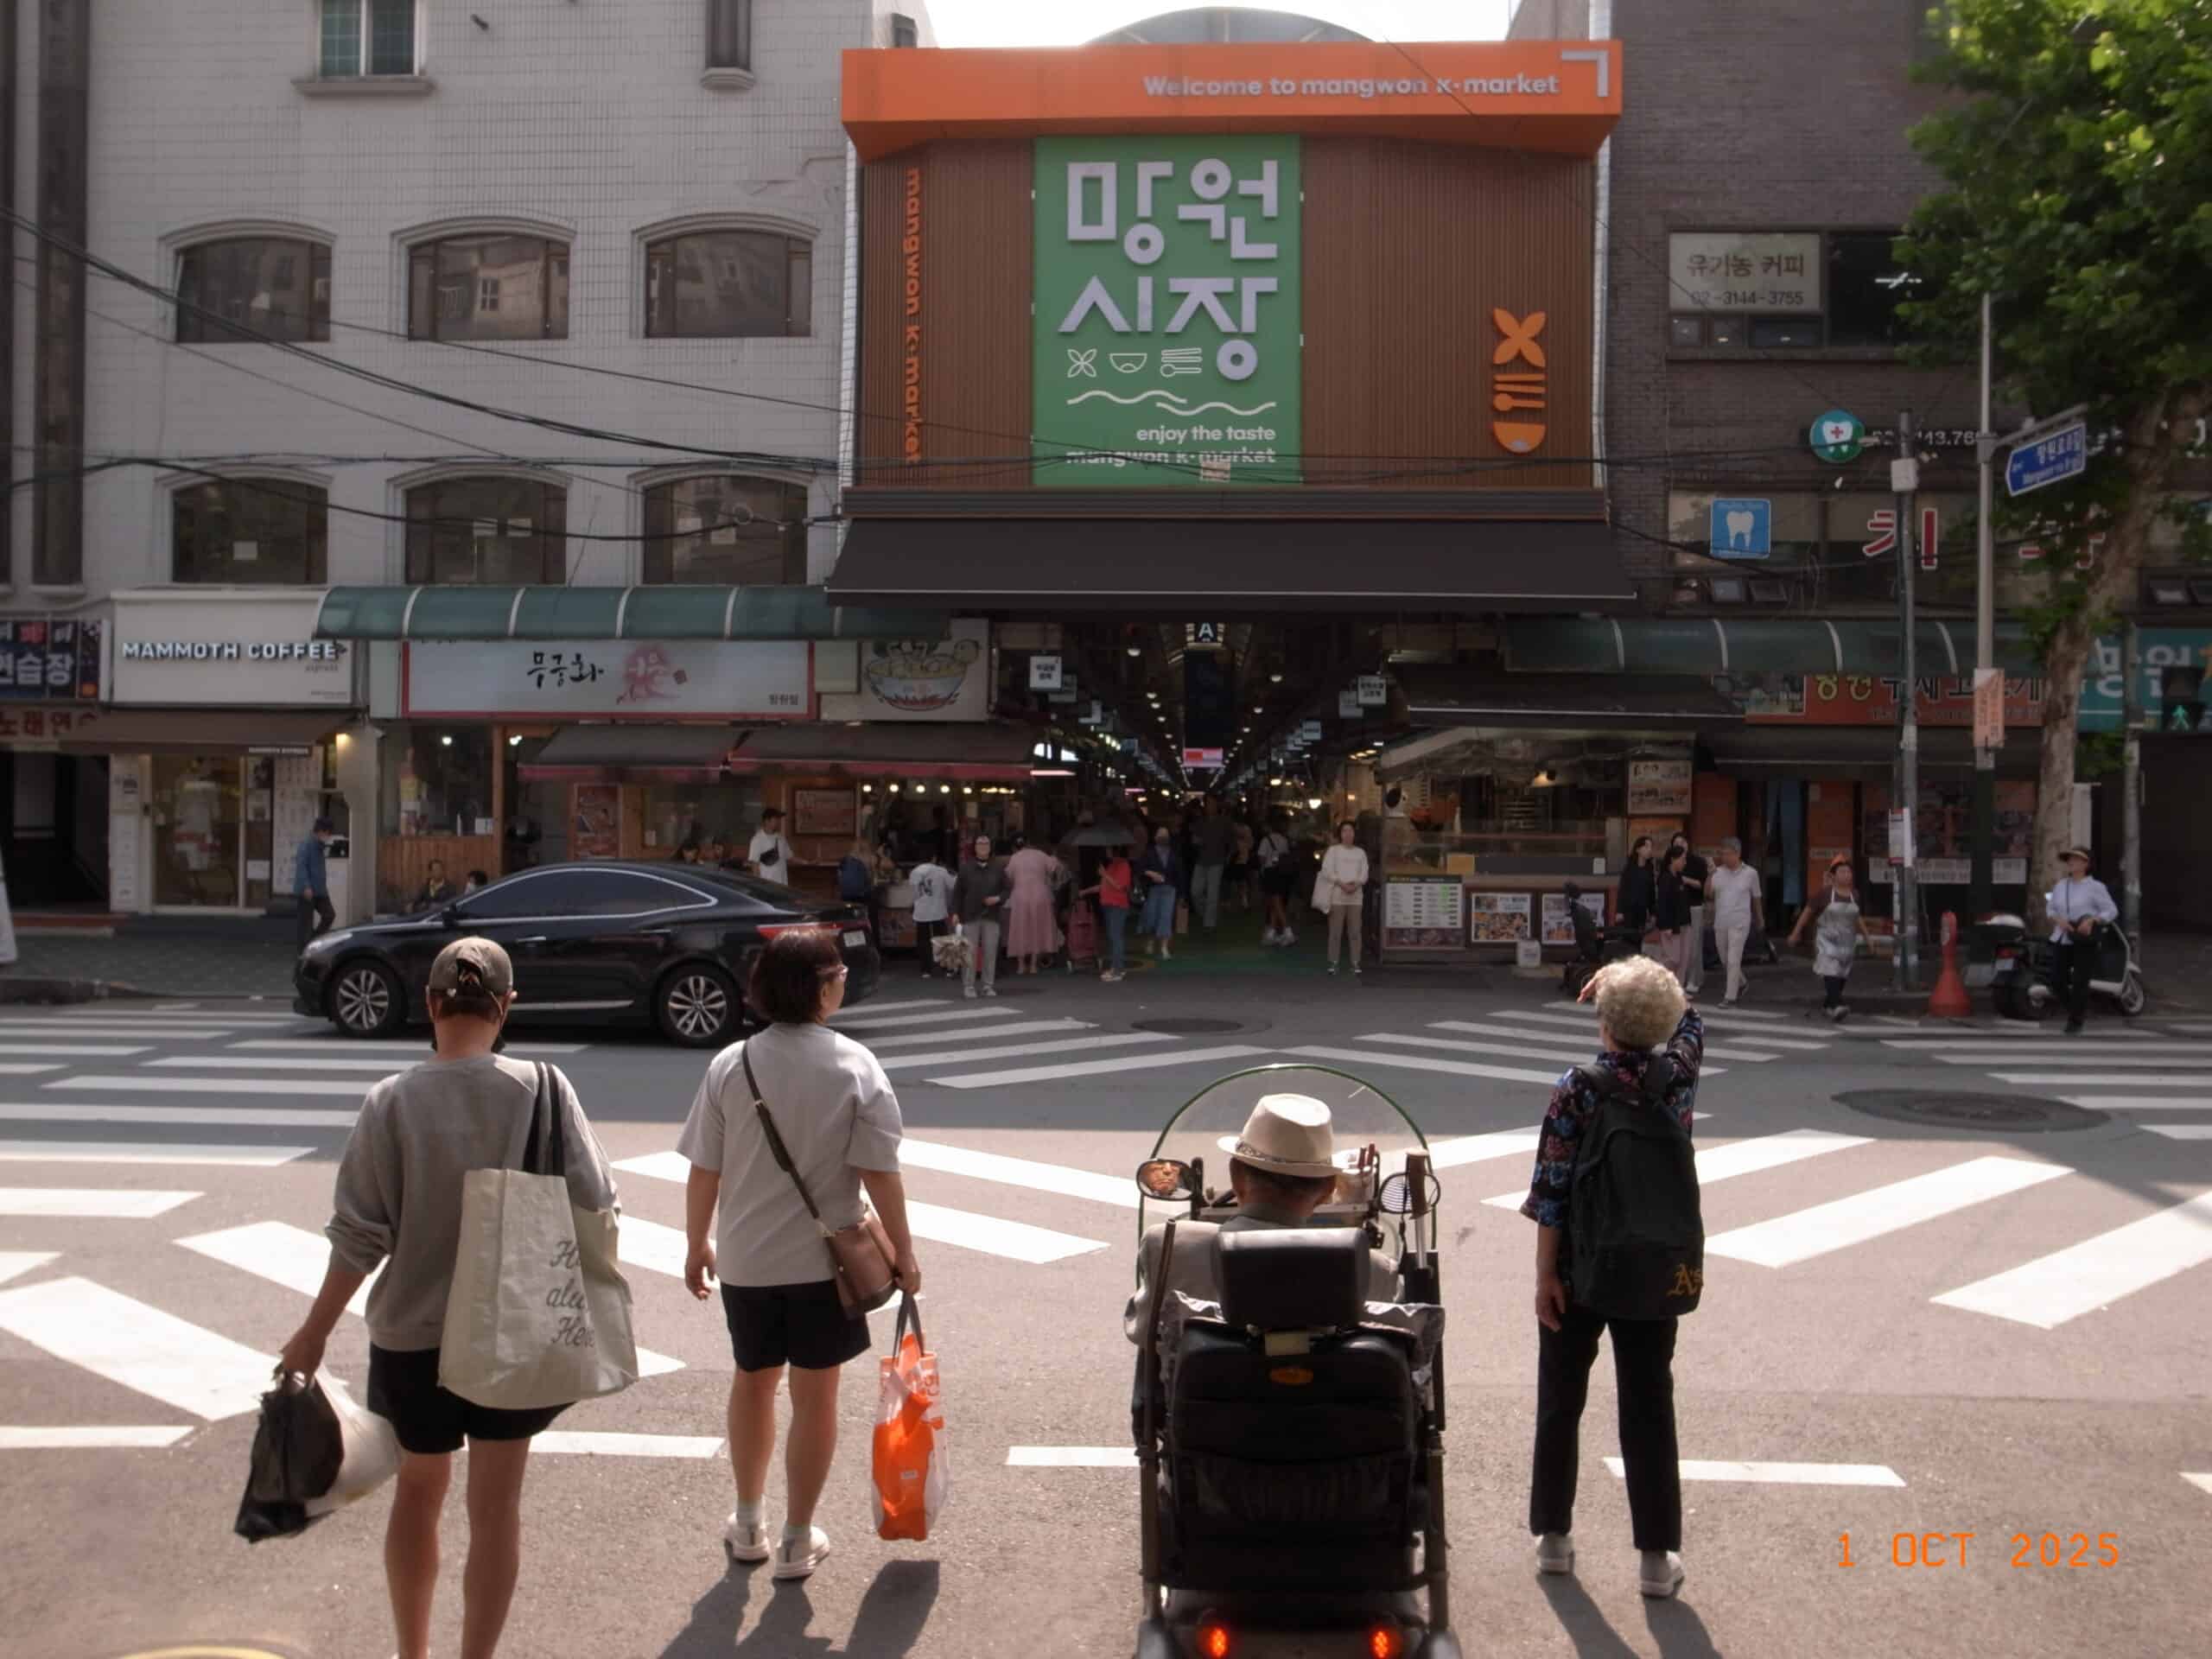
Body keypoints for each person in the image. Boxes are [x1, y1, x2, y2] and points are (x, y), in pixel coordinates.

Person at [277, 938, 616, 1659]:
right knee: (496, 1509)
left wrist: (313, 1333)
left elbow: (358, 1237)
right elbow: (596, 1201)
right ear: (506, 1006)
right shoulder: (546, 1089)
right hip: (513, 1331)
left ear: (431, 1004)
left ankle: (413, 1654)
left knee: (418, 1491)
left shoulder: (392, 1100)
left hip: (411, 1337)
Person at [677, 931, 921, 1583]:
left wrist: (696, 1242)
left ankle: (747, 1521)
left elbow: (705, 1168)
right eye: (838, 973)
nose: (843, 981)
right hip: (824, 1269)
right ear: (821, 988)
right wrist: (904, 1253)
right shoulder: (854, 1065)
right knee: (816, 1397)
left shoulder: (731, 1064)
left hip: (746, 1263)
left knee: (753, 1382)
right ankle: (794, 1537)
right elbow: (880, 1173)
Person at [1522, 957, 1705, 1601]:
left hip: (1580, 1264)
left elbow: (1552, 1188)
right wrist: (1649, 983)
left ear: (1603, 1023)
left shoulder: (1579, 1087)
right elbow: (1692, 1024)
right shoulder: (1675, 1076)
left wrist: (1545, 1274)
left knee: (1560, 1399)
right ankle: (1656, 1558)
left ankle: (1553, 1539)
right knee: (1649, 1405)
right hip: (1653, 1265)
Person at [1124, 1094, 1396, 1345]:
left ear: (1236, 1176)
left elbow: (1143, 1333)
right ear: (1327, 1191)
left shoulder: (1169, 1245)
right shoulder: (1375, 1270)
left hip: (1207, 1383)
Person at [1789, 856, 1875, 1021]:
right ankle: (1837, 1005)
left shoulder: (1855, 895)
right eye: (1842, 872)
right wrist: (1796, 933)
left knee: (1841, 976)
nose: (1846, 875)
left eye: (1848, 872)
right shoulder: (1824, 894)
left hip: (1847, 943)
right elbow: (1807, 912)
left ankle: (1828, 1006)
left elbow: (1857, 918)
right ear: (1833, 876)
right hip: (1826, 942)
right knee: (1831, 971)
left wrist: (1868, 938)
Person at [2045, 846, 2119, 1034]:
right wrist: (2059, 920)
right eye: (2070, 859)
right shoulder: (2061, 886)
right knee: (2056, 980)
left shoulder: (2096, 887)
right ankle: (2077, 1012)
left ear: (2086, 864)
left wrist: (2093, 920)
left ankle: (2075, 1022)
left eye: (2077, 859)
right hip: (2063, 937)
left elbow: (2111, 910)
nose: (2071, 862)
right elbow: (2050, 908)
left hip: (2084, 940)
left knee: (2080, 982)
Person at [1706, 837, 1764, 1007]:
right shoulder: (1717, 872)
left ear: (1738, 854)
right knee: (1724, 959)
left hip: (1740, 922)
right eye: (1722, 854)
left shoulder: (1751, 873)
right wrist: (1709, 875)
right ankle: (1742, 982)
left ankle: (1730, 997)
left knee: (1733, 959)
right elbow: (1708, 895)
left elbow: (1756, 898)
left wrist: (1760, 918)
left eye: (1728, 854)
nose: (1725, 857)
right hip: (1721, 922)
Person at [952, 833, 1008, 998]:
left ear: (990, 848)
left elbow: (1008, 889)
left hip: (992, 915)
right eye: (980, 844)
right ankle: (968, 986)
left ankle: (987, 985)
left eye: (986, 844)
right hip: (970, 915)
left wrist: (997, 899)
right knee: (969, 952)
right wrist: (955, 913)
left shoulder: (998, 867)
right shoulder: (966, 868)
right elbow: (958, 893)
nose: (983, 847)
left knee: (990, 951)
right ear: (975, 848)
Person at [1314, 820, 1370, 977]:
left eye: (1350, 831)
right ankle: (1333, 962)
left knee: (1355, 931)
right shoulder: (1333, 851)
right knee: (1335, 932)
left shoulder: (1360, 853)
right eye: (1344, 831)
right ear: (1340, 834)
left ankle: (1355, 963)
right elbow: (1326, 870)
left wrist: (1355, 885)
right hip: (1337, 897)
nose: (1348, 834)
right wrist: (1342, 884)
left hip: (1356, 898)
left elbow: (1364, 873)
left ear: (1355, 833)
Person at [1003, 836, 1064, 975]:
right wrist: (1054, 855)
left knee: (1020, 929)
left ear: (1015, 847)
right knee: (1036, 928)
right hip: (1040, 895)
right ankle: (1033, 965)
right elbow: (1055, 867)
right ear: (1029, 843)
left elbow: (1009, 876)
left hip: (1021, 896)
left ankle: (1020, 965)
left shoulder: (1015, 858)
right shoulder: (1040, 854)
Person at [1082, 842, 1134, 982]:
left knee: (1116, 937)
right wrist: (1086, 891)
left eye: (1108, 849)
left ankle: (1118, 970)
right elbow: (1104, 885)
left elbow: (1119, 886)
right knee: (1112, 937)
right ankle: (1115, 966)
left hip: (1117, 905)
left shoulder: (1123, 865)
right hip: (1109, 905)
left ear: (1115, 849)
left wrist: (1104, 874)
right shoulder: (1112, 864)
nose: (1106, 851)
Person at [1669, 835, 1709, 997]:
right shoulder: (1671, 862)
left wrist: (1686, 880)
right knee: (1681, 946)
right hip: (1678, 908)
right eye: (1676, 843)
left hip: (1694, 906)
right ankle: (1683, 978)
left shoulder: (1697, 862)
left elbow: (1704, 886)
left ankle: (1695, 979)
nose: (1680, 845)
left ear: (1688, 844)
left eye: (1683, 842)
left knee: (1694, 945)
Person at [1651, 844, 1693, 989]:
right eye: (1682, 859)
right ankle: (1656, 980)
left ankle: (1679, 991)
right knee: (1673, 959)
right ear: (1672, 859)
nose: (1684, 863)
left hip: (1684, 923)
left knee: (1684, 960)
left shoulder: (1679, 877)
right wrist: (1666, 926)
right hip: (1671, 925)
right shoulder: (1665, 878)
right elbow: (1662, 904)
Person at [1191, 797, 1235, 931]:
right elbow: (1194, 839)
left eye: (1212, 803)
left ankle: (1209, 923)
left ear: (1217, 805)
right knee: (1195, 891)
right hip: (1201, 861)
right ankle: (1207, 913)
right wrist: (1197, 841)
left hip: (1217, 861)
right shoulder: (1200, 821)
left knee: (1212, 893)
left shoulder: (1224, 822)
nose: (1210, 806)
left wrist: (1229, 856)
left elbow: (1231, 841)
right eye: (1208, 804)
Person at [1137, 825, 1179, 961]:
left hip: (1170, 889)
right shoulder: (1148, 853)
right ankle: (1150, 941)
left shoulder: (1174, 853)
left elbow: (1180, 873)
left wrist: (1182, 894)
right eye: (1161, 834)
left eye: (1165, 835)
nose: (1163, 837)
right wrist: (1150, 873)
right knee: (1151, 918)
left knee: (1166, 917)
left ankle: (1164, 948)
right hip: (1153, 889)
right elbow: (1138, 869)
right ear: (1155, 838)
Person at [294, 816, 336, 949]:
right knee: (305, 924)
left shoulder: (320, 847)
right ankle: (303, 951)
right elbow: (301, 867)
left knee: (329, 915)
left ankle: (313, 941)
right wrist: (306, 886)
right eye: (328, 833)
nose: (328, 836)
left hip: (320, 891)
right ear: (321, 831)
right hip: (307, 891)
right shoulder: (306, 845)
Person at [908, 849, 951, 978]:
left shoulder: (915, 872)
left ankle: (926, 970)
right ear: (934, 858)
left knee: (923, 940)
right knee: (942, 939)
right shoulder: (941, 871)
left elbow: (915, 893)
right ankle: (946, 968)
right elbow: (952, 885)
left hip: (921, 911)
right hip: (938, 910)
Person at [1256, 812, 1295, 946]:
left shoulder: (1266, 840)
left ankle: (1288, 931)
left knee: (1275, 903)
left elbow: (1261, 858)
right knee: (1275, 903)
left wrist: (1261, 870)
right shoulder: (1284, 840)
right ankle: (1271, 933)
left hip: (1270, 873)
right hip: (1282, 874)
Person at [1614, 836, 1656, 938]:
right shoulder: (1629, 868)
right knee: (1627, 939)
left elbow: (1651, 893)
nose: (1649, 849)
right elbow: (1622, 890)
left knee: (1638, 939)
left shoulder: (1650, 869)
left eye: (1651, 847)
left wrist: (1653, 913)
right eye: (1646, 846)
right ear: (1638, 850)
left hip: (1641, 912)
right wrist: (1619, 911)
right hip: (1628, 911)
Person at [747, 809, 796, 886]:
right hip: (767, 885)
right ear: (767, 821)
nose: (778, 822)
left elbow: (790, 856)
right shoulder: (757, 839)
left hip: (782, 884)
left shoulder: (781, 838)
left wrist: (807, 862)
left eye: (779, 819)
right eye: (776, 819)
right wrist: (760, 885)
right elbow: (755, 865)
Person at [1229, 812, 1255, 912]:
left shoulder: (1246, 829)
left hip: (1242, 858)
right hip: (1233, 858)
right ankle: (1236, 902)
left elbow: (1251, 844)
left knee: (1241, 881)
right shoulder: (1232, 828)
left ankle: (1244, 902)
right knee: (1236, 882)